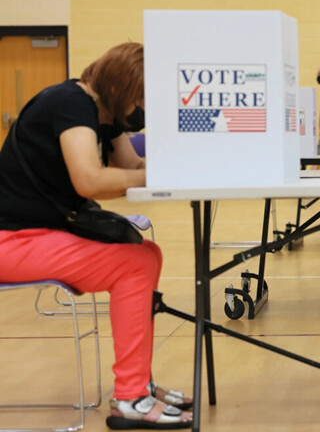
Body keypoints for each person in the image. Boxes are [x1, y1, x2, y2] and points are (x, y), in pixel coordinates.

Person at [0, 42, 193, 430]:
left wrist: (181, 163)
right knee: (135, 263)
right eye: (140, 98)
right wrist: (158, 175)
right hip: (11, 240)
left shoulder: (103, 114)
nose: (143, 108)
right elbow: (89, 180)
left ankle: (138, 383)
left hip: (36, 234)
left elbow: (131, 166)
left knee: (146, 253)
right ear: (123, 89)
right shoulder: (71, 104)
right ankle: (129, 397)